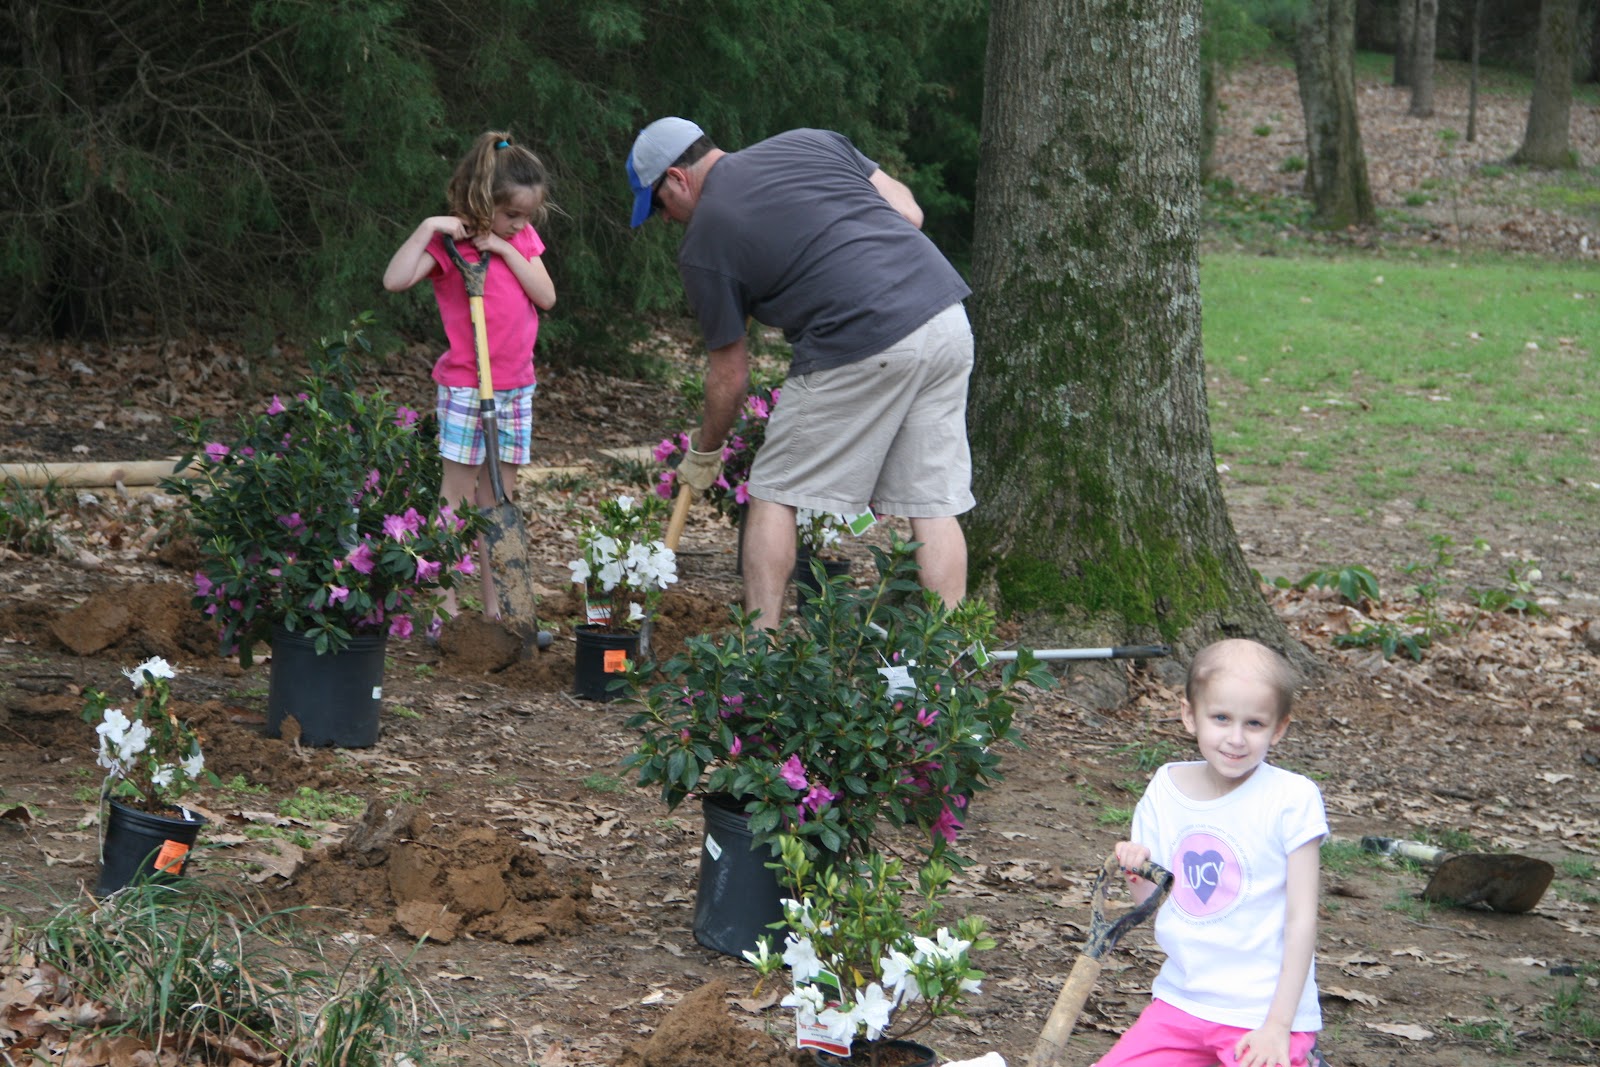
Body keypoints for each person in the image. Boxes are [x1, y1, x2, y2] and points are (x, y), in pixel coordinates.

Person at [625, 117, 973, 627]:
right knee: (932, 500)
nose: (665, 219)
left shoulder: (705, 239)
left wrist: (706, 450)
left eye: (658, 205)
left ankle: (759, 656)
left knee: (772, 490)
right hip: (945, 319)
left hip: (862, 337)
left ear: (677, 178)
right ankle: (951, 660)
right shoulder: (810, 142)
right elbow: (909, 213)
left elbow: (730, 373)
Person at [1101, 639, 1326, 1067]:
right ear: (1190, 715)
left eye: (1255, 723)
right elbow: (1155, 905)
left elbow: (1301, 920)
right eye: (1221, 718)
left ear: (1279, 728)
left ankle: (1301, 1054)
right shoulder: (1165, 790)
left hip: (1261, 1015)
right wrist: (1136, 872)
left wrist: (1278, 1026)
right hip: (1181, 1004)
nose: (1236, 739)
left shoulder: (1292, 799)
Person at [383, 131, 557, 626]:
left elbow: (545, 296)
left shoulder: (519, 240)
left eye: (526, 217)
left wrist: (505, 247)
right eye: (512, 215)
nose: (522, 223)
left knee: (497, 501)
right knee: (456, 499)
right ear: (483, 201)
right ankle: (444, 608)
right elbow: (394, 280)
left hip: (516, 387)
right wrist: (427, 228)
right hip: (465, 386)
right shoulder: (449, 246)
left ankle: (497, 609)